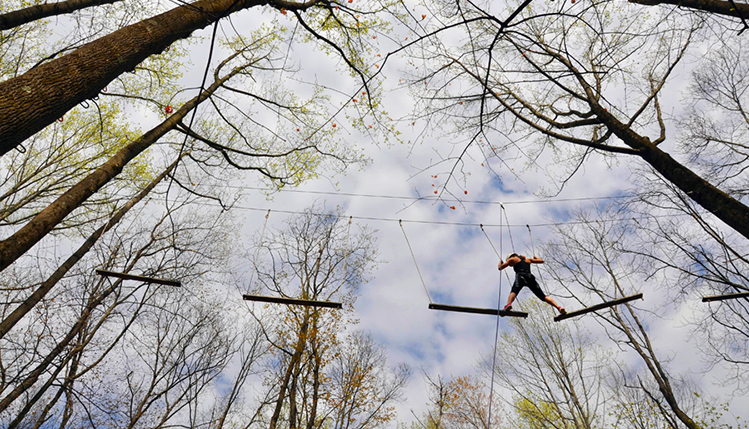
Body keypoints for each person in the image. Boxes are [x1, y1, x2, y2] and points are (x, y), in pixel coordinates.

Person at [498, 253, 566, 315]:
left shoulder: (512, 259)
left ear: (510, 257)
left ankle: (508, 304)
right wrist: (535, 257)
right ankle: (559, 307)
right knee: (543, 296)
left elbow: (500, 267)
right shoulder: (527, 260)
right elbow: (541, 261)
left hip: (521, 276)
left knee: (514, 291)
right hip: (530, 277)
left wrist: (500, 263)